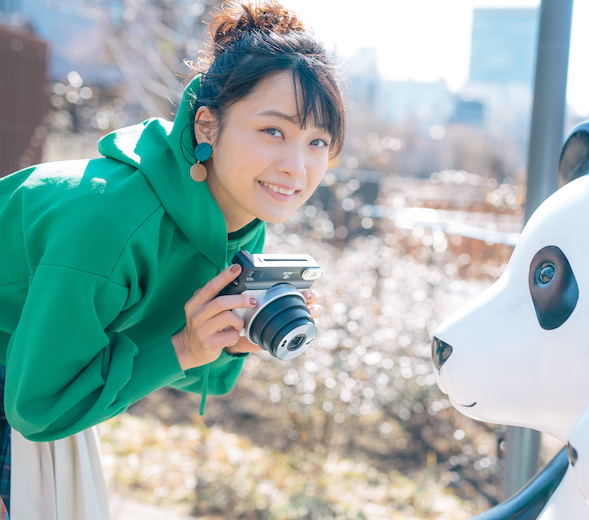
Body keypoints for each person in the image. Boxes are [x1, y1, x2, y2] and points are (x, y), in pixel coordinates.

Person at [0, 0, 344, 517]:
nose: (297, 167)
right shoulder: (110, 221)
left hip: (38, 378)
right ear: (206, 126)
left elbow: (200, 374)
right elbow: (40, 407)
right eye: (273, 131)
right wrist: (181, 347)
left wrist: (231, 338)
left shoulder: (244, 225)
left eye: (318, 141)